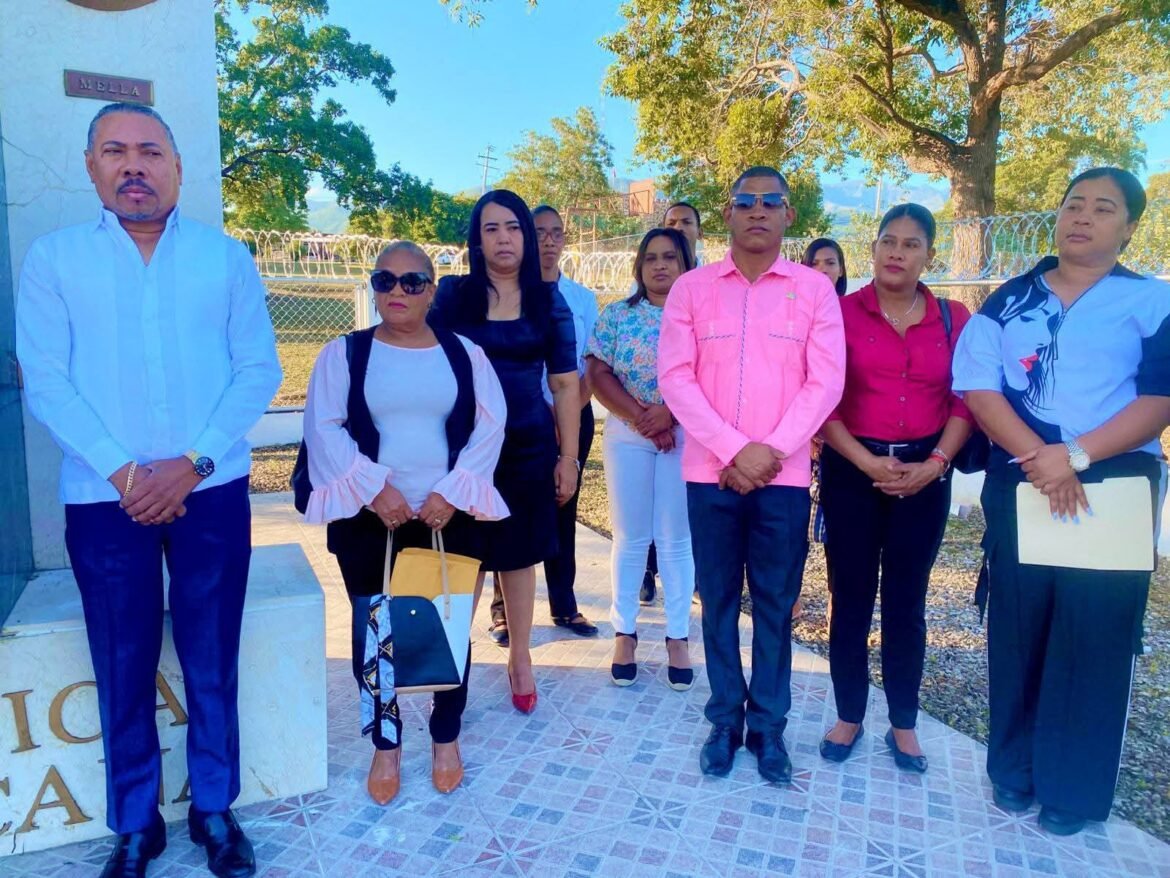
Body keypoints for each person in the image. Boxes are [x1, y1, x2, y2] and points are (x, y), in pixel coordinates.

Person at [15, 103, 281, 878]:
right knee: (122, 661)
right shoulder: (55, 259)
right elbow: (46, 379)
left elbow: (258, 368)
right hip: (104, 499)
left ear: (177, 167)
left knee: (212, 655)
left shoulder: (223, 258)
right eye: (115, 151)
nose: (134, 166)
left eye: (150, 151)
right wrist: (126, 472)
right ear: (91, 165)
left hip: (212, 490)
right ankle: (136, 824)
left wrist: (192, 463)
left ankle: (214, 808)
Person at [953, 167, 1170, 836]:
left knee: (1095, 636)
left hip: (1113, 487)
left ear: (1128, 227)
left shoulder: (1152, 302)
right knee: (1020, 628)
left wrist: (1073, 457)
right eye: (1074, 204)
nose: (1082, 217)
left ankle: (1073, 790)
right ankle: (1014, 772)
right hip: (1023, 478)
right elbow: (979, 388)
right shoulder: (1008, 300)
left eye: (1103, 208)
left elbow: (1159, 399)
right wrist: (1041, 460)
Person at [301, 242, 508, 804]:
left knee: (447, 630)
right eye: (385, 280)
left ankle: (446, 738)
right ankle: (386, 746)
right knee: (375, 636)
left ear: (431, 290)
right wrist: (375, 491)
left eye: (413, 281)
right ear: (373, 287)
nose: (398, 291)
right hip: (372, 521)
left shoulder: (465, 355)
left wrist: (451, 492)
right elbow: (323, 427)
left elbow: (491, 426)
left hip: (448, 518)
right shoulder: (344, 354)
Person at [658, 166, 845, 783]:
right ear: (728, 213)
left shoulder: (814, 291)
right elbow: (675, 378)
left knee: (773, 604)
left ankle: (768, 727)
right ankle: (723, 721)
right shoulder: (691, 289)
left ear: (789, 214)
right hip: (709, 474)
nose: (758, 210)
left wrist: (772, 452)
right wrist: (736, 450)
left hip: (782, 479)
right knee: (716, 601)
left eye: (771, 201)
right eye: (745, 201)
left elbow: (826, 382)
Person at [816, 205, 973, 772]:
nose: (897, 253)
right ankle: (849, 715)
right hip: (852, 470)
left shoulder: (954, 318)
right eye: (888, 241)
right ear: (874, 247)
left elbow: (965, 400)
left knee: (907, 602)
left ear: (929, 255)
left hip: (925, 474)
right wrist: (866, 463)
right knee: (851, 596)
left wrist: (935, 464)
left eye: (911, 244)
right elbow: (821, 400)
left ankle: (904, 722)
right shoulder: (839, 314)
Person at [429, 189, 581, 714]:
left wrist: (569, 458)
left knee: (518, 557)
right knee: (463, 559)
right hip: (463, 452)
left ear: (527, 236)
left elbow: (565, 384)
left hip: (527, 449)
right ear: (477, 239)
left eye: (513, 227)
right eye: (491, 228)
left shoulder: (548, 301)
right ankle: (450, 665)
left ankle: (520, 658)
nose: (503, 238)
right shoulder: (453, 296)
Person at [587, 228, 697, 689]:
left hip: (686, 433)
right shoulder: (618, 315)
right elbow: (597, 372)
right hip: (628, 434)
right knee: (631, 537)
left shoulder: (701, 316)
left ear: (686, 263)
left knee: (675, 539)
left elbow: (711, 375)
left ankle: (678, 637)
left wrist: (671, 415)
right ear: (639, 265)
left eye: (670, 257)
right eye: (650, 257)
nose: (660, 265)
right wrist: (643, 418)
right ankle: (625, 632)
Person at [488, 205, 599, 643]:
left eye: (557, 232)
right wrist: (540, 412)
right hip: (518, 420)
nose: (549, 240)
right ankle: (503, 613)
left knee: (563, 507)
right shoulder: (508, 295)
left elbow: (589, 365)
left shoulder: (581, 299)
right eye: (539, 232)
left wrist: (565, 415)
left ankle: (564, 604)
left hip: (572, 416)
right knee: (505, 510)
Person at [643, 202, 703, 606]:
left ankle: (689, 583)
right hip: (643, 425)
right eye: (671, 222)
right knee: (645, 511)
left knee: (685, 514)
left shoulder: (709, 289)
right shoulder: (635, 304)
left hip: (692, 425)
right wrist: (646, 417)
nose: (678, 227)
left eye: (686, 222)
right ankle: (647, 572)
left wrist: (673, 412)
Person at [798, 237, 850, 622]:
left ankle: (837, 599)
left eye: (830, 262)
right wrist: (809, 430)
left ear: (842, 269)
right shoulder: (795, 312)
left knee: (839, 523)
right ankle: (792, 593)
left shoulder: (852, 313)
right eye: (814, 263)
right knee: (796, 520)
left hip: (844, 434)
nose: (822, 270)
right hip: (802, 434)